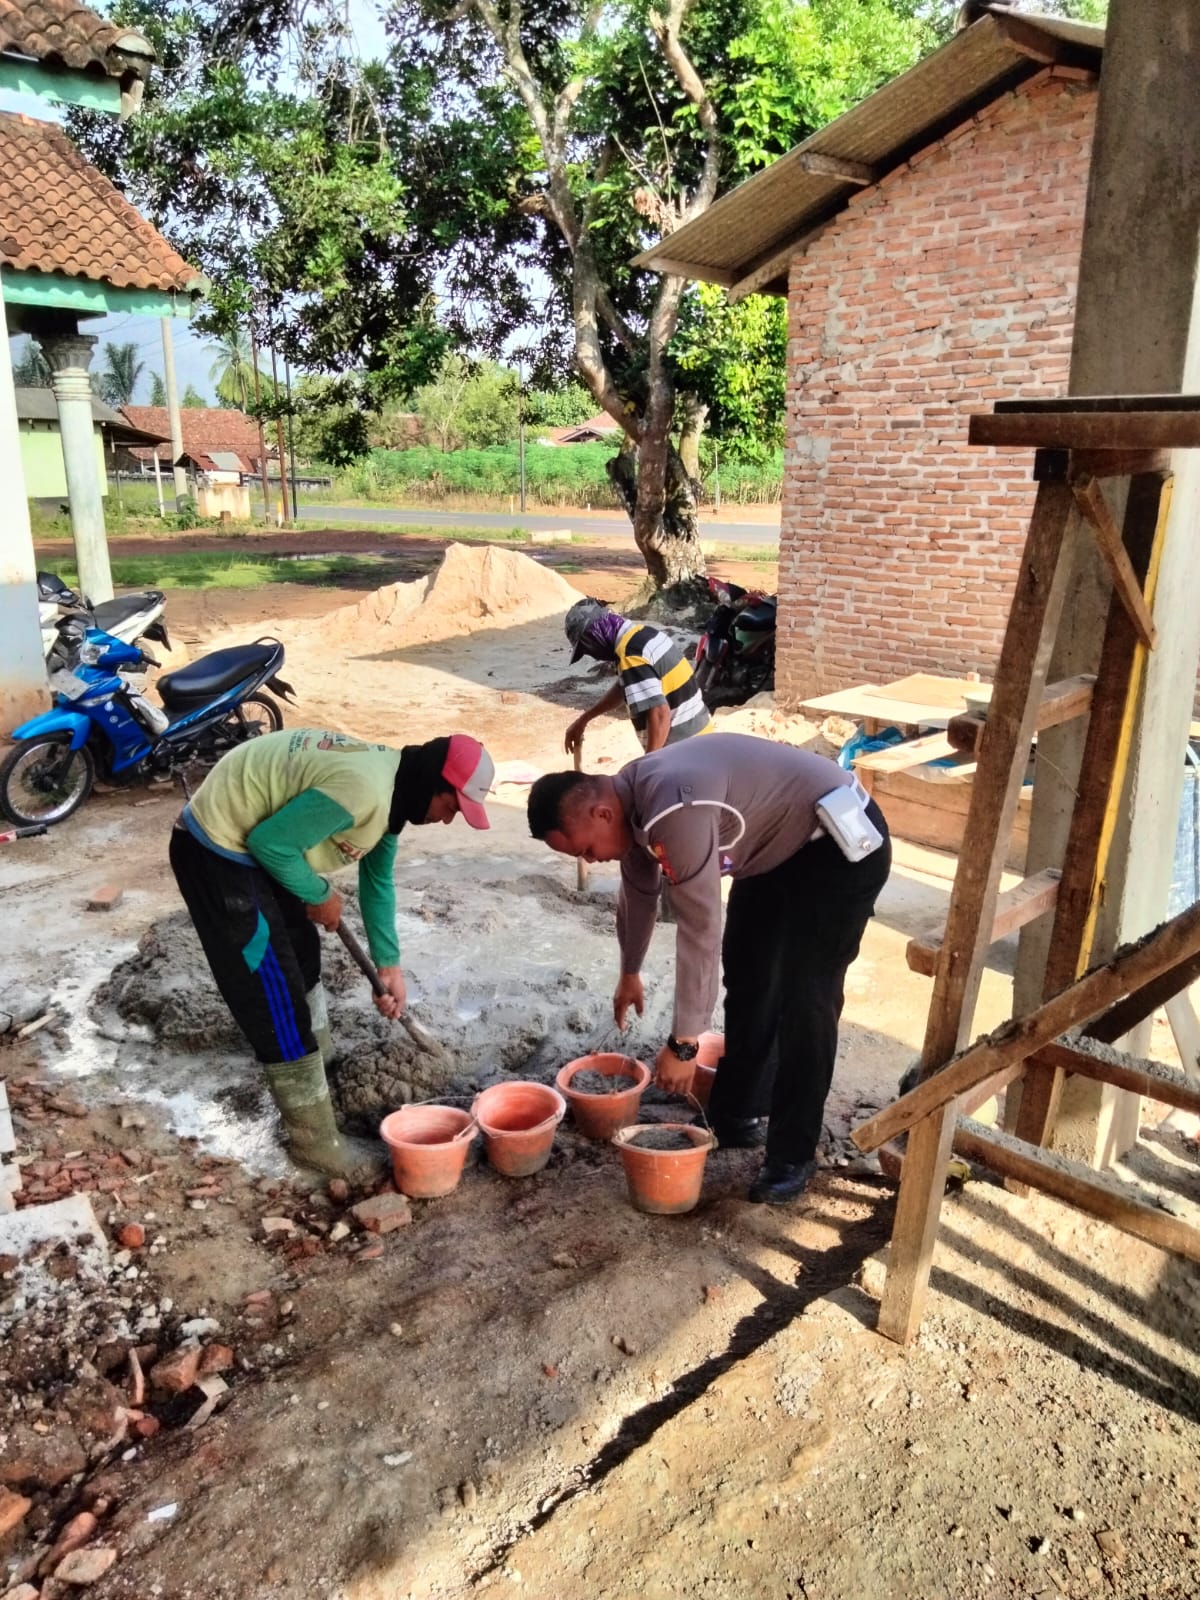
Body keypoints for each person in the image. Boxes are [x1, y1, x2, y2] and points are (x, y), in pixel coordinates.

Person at [526, 732, 890, 1203]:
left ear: (601, 814)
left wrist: (683, 1044)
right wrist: (629, 972)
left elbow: (699, 927)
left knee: (806, 999)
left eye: (584, 850)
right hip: (775, 852)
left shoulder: (672, 808)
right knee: (748, 972)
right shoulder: (629, 805)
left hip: (838, 847)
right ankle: (738, 1113)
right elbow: (638, 894)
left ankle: (791, 1155)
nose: (590, 860)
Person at [170, 728, 494, 1179]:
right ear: (432, 785)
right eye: (451, 807)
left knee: (303, 957)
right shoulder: (366, 788)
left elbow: (377, 882)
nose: (447, 820)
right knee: (274, 991)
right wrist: (319, 891)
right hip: (219, 849)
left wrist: (389, 966)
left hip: (259, 847)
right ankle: (315, 1143)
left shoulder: (395, 795)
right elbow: (271, 844)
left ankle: (319, 1072)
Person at [562, 598, 712, 757]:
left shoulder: (631, 653)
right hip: (700, 738)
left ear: (594, 636)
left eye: (586, 649)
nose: (593, 655)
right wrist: (584, 719)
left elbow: (660, 713)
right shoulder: (643, 634)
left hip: (684, 751)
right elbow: (624, 687)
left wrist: (648, 765)